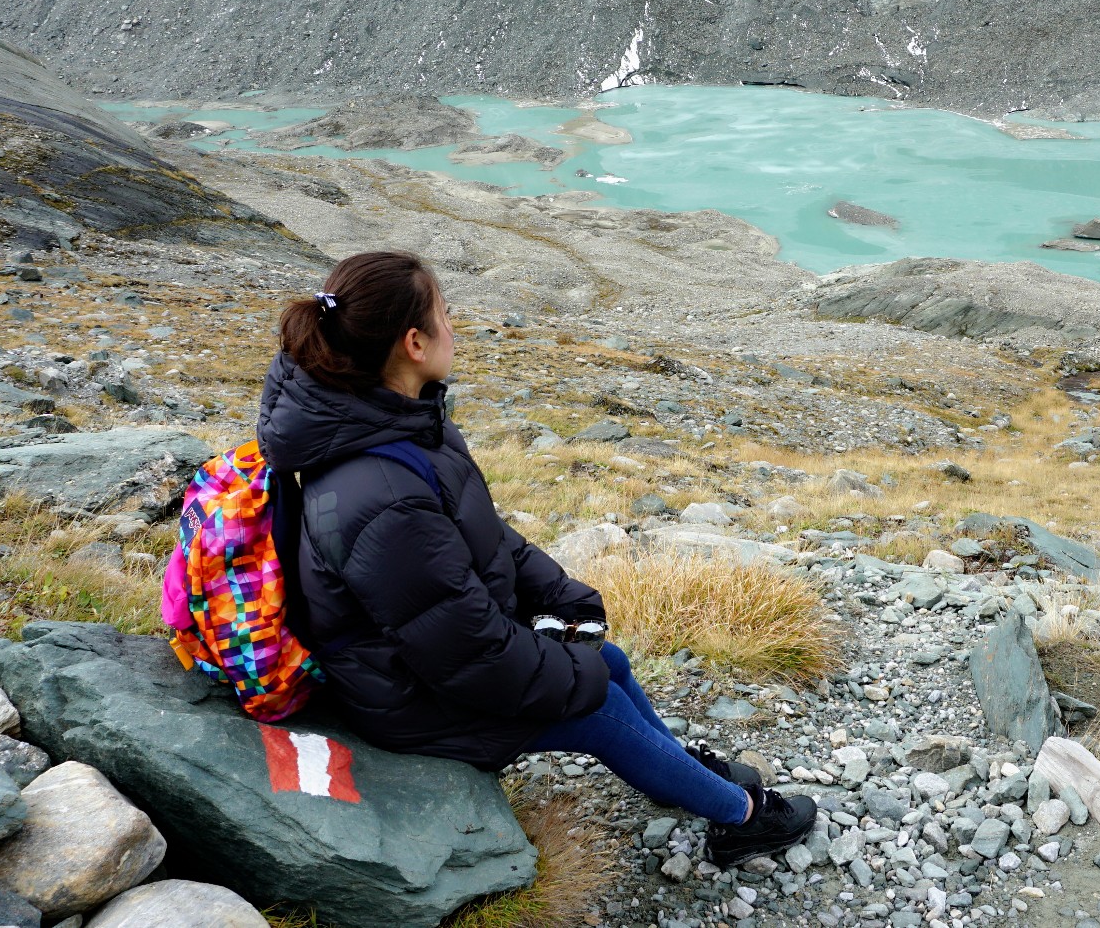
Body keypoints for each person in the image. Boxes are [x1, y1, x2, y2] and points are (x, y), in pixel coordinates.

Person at [256, 249, 815, 864]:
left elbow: (480, 536)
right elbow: (464, 651)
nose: (455, 327)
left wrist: (559, 594)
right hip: (410, 697)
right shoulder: (379, 490)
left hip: (429, 658)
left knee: (610, 661)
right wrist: (573, 673)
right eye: (446, 314)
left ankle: (682, 773)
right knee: (597, 705)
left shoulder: (403, 424)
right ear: (414, 342)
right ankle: (747, 818)